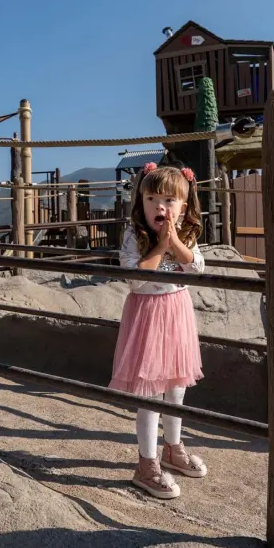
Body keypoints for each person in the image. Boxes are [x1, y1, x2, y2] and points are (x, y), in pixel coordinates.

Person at [109, 162, 207, 500]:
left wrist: (174, 242)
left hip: (177, 313)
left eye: (169, 200)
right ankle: (146, 464)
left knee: (177, 388)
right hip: (148, 316)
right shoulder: (134, 235)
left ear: (183, 205)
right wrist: (160, 248)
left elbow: (195, 268)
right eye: (151, 199)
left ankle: (173, 448)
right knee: (150, 394)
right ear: (141, 202)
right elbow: (135, 279)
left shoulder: (188, 232)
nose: (160, 207)